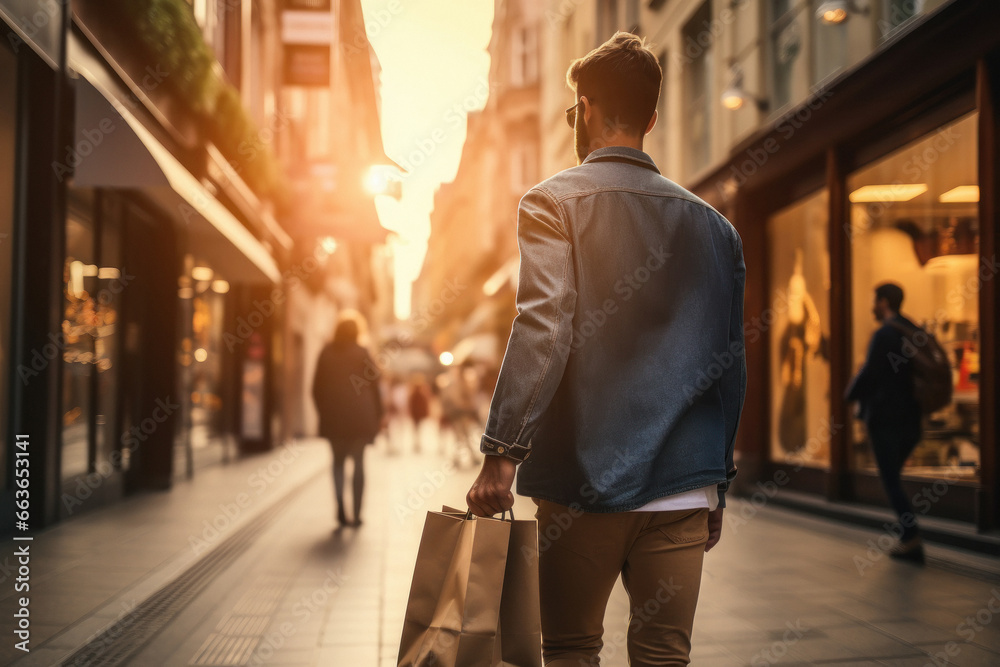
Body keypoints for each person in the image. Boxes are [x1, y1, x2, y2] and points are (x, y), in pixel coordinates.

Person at [466, 32, 746, 665]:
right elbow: (730, 365)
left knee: (569, 650)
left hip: (581, 483)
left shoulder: (552, 203)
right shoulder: (715, 228)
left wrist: (502, 454)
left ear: (585, 108)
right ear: (651, 117)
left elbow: (543, 327)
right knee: (663, 657)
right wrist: (717, 483)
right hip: (681, 486)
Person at [846, 282, 924, 562]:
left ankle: (910, 537)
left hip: (885, 419)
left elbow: (870, 374)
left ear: (884, 302)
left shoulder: (886, 335)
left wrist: (849, 395)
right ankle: (909, 535)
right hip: (912, 418)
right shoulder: (912, 329)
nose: (873, 306)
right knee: (894, 478)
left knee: (890, 480)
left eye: (875, 300)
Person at [312, 310, 384, 528]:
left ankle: (341, 508)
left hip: (334, 417)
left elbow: (315, 388)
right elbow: (375, 388)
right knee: (359, 462)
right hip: (360, 418)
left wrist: (324, 411)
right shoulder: (363, 353)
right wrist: (379, 415)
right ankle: (358, 512)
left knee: (337, 462)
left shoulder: (326, 352)